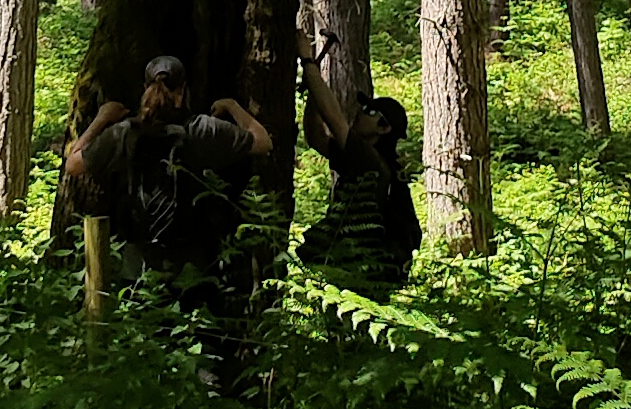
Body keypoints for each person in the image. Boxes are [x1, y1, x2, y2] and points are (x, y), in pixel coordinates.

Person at [62, 53, 270, 282]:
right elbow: (262, 142)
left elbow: (73, 164)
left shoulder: (125, 133)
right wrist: (232, 106)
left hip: (137, 266)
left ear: (144, 90)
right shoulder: (200, 130)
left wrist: (101, 119)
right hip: (191, 266)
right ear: (182, 92)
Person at [299, 88, 420, 292]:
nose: (360, 112)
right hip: (356, 270)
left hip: (361, 274)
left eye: (369, 111)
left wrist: (310, 67)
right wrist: (312, 95)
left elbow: (334, 121)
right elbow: (316, 137)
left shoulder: (372, 163)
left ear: (383, 128)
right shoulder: (362, 158)